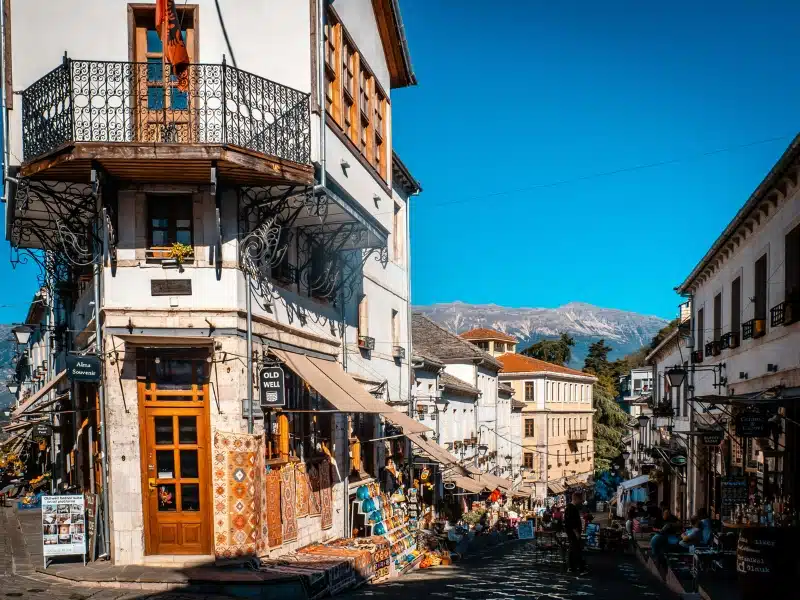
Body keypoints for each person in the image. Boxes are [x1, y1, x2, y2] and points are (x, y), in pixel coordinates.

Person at [565, 492, 589, 574]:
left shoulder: (572, 508)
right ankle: (581, 569)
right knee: (577, 550)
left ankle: (571, 567)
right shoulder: (571, 508)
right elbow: (571, 522)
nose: (581, 501)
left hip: (573, 533)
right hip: (573, 533)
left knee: (572, 550)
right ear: (576, 499)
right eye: (580, 499)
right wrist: (576, 533)